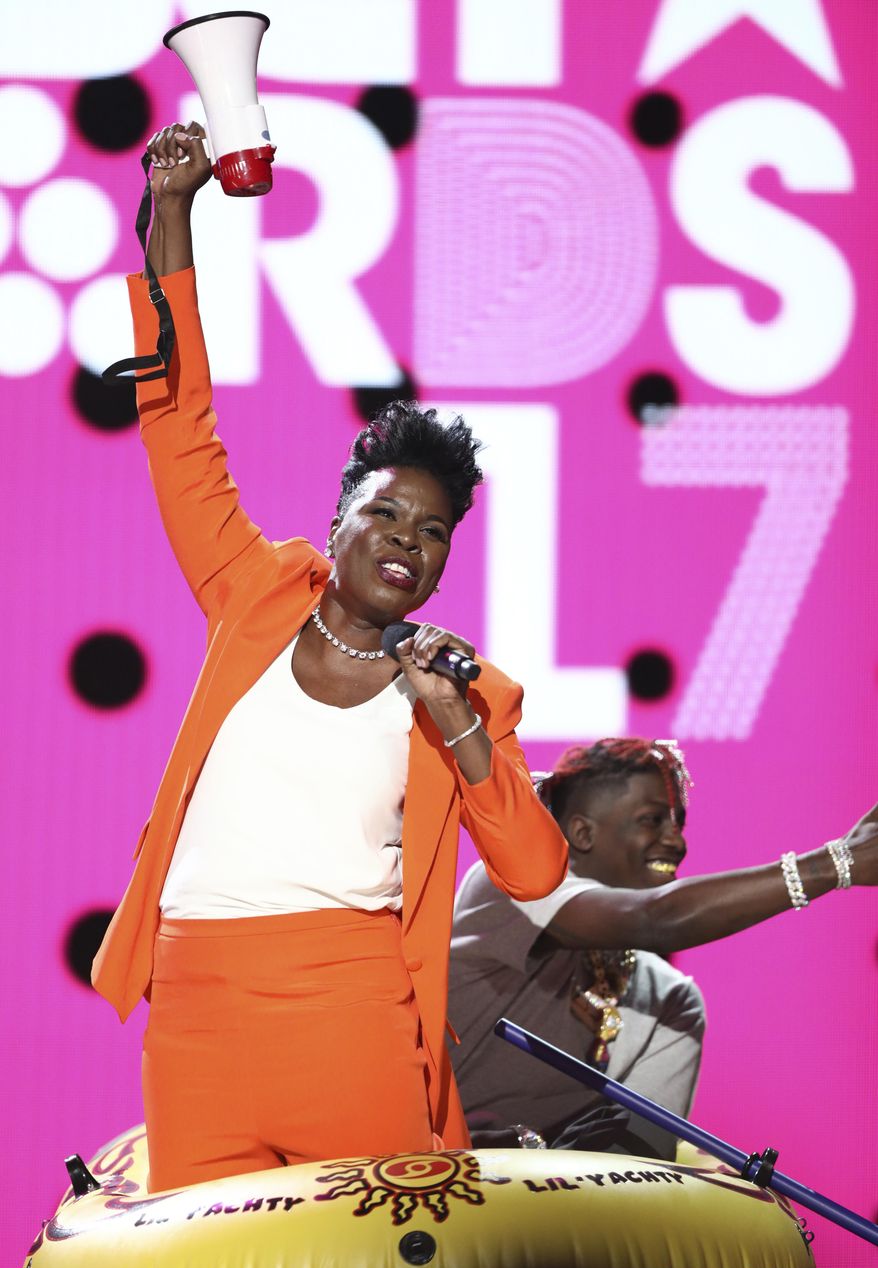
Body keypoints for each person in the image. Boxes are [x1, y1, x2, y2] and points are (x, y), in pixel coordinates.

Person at [91, 122, 567, 1193]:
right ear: (338, 521)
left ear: (444, 563)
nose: (406, 536)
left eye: (432, 528)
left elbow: (534, 872)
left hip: (347, 1008)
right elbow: (180, 431)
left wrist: (456, 728)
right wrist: (173, 217)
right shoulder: (251, 595)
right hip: (196, 1003)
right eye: (384, 511)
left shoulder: (461, 690)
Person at [448, 737, 878, 1160]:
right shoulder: (511, 887)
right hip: (407, 1178)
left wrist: (539, 1155)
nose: (677, 841)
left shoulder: (671, 1000)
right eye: (652, 821)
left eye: (678, 823)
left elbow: (637, 1161)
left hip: (546, 1215)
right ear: (582, 833)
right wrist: (835, 864)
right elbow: (658, 919)